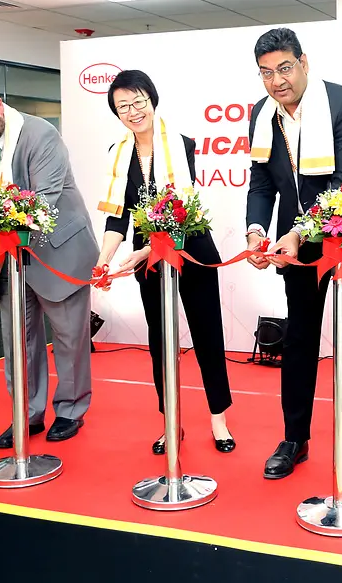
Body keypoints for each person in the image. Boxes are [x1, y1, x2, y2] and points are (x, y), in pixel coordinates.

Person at [244, 27, 342, 479]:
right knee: (299, 337)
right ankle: (295, 437)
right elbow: (261, 181)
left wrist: (295, 232)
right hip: (300, 243)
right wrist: (257, 230)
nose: (277, 81)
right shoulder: (262, 114)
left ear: (305, 63)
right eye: (266, 73)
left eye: (285, 68)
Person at [95, 70, 234, 455]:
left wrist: (146, 250)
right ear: (117, 114)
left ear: (152, 100)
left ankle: (218, 419)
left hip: (192, 251)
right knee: (160, 342)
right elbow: (116, 218)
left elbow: (184, 211)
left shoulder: (183, 145)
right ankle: (170, 420)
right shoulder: (118, 154)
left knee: (208, 335)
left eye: (139, 101)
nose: (133, 111)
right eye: (123, 106)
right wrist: (104, 260)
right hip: (149, 262)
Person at [0, 79, 98, 448]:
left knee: (68, 338)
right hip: (5, 261)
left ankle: (70, 410)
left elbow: (41, 203)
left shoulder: (40, 136)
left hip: (57, 252)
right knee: (19, 339)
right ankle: (28, 413)